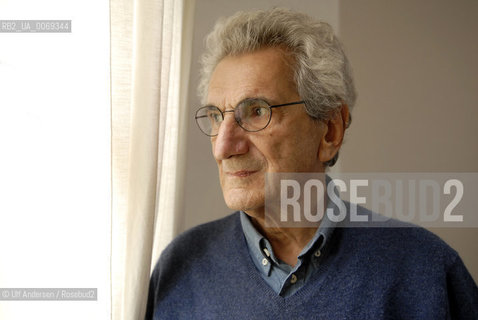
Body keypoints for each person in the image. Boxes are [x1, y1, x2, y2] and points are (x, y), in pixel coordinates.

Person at [145, 8, 478, 319]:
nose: (223, 147)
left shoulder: (426, 271)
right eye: (217, 117)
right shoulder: (179, 266)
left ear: (330, 130)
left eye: (258, 111)